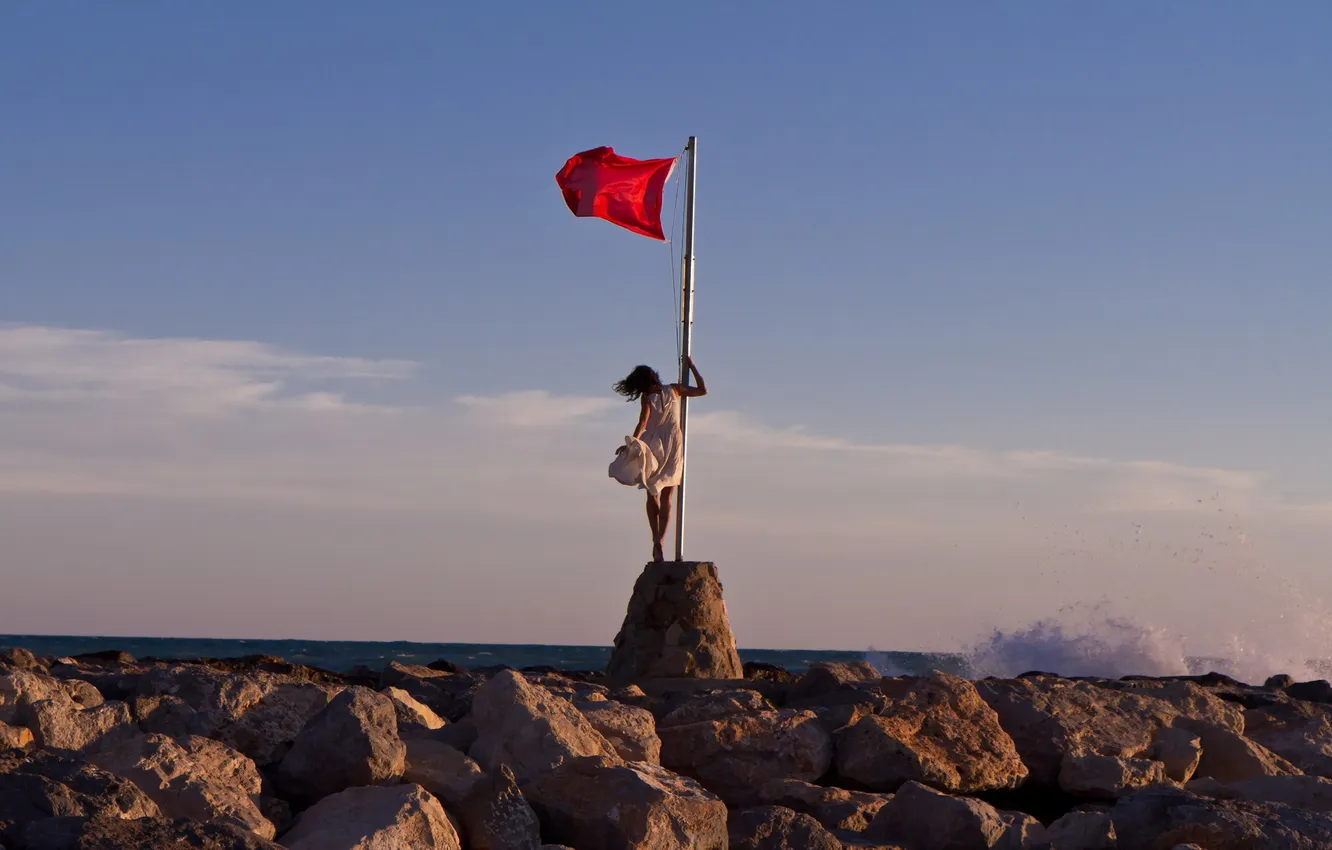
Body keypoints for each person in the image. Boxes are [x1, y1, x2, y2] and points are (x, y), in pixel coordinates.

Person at [613, 356, 708, 562]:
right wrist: (692, 367)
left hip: (655, 442)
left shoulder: (647, 397)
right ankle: (661, 540)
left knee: (651, 492)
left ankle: (655, 538)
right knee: (668, 496)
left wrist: (633, 442)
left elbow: (644, 422)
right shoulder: (674, 390)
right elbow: (702, 390)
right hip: (673, 442)